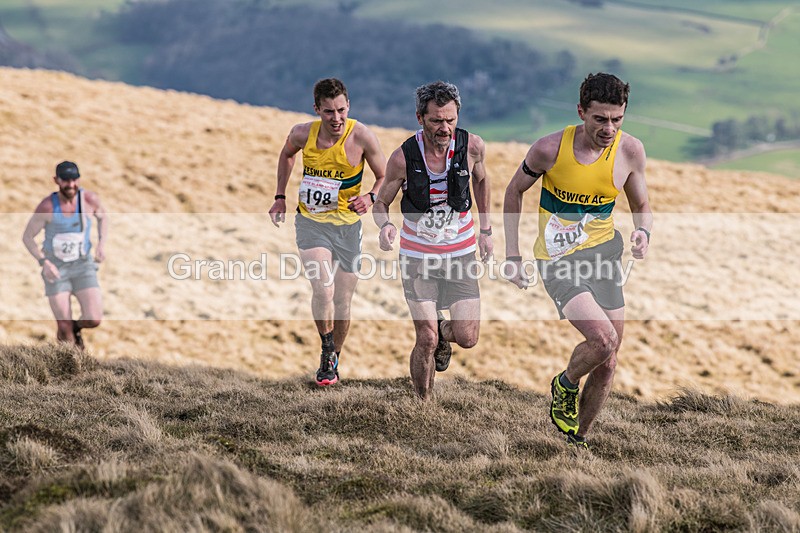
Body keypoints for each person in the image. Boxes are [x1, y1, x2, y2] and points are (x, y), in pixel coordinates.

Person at [503, 72, 652, 449]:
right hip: (557, 259)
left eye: (617, 119)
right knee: (602, 340)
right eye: (600, 118)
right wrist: (512, 255)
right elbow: (513, 192)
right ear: (581, 111)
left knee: (610, 359)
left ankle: (577, 439)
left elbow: (642, 205)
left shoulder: (630, 150)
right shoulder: (549, 149)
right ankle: (565, 383)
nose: (609, 128)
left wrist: (643, 232)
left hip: (604, 257)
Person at [373, 81, 493, 400]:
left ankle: (443, 331)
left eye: (450, 120)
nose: (444, 128)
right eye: (436, 120)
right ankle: (423, 404)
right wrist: (385, 226)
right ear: (420, 118)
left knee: (467, 337)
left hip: (461, 254)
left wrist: (486, 229)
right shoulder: (403, 157)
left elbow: (481, 181)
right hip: (417, 257)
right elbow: (381, 203)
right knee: (424, 338)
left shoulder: (473, 147)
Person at [268, 78, 386, 386]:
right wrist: (280, 196)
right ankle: (325, 348)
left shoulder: (361, 136)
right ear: (317, 109)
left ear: (349, 106)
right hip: (311, 222)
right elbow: (287, 154)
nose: (336, 119)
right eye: (329, 112)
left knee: (343, 300)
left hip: (348, 228)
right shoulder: (301, 133)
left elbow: (385, 176)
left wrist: (371, 197)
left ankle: (334, 358)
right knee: (324, 289)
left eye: (342, 110)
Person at [22, 161, 108, 350]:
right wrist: (43, 262)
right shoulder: (47, 207)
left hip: (83, 265)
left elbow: (102, 216)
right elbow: (27, 237)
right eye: (66, 180)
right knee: (63, 325)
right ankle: (73, 369)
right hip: (56, 269)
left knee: (94, 318)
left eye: (74, 180)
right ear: (56, 180)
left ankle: (77, 327)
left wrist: (101, 244)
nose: (71, 185)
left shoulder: (88, 200)